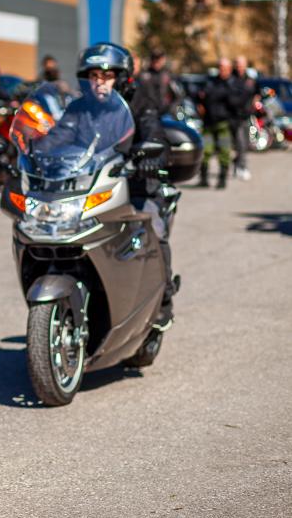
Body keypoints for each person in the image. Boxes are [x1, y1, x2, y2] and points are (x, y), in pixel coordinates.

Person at [74, 42, 176, 330]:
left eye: (106, 76)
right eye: (94, 76)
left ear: (121, 78)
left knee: (154, 229)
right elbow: (61, 138)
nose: (99, 82)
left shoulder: (140, 102)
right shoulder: (81, 109)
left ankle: (164, 300)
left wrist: (151, 155)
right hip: (92, 188)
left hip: (136, 185)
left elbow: (154, 131)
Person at [199, 58, 236, 189]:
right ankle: (203, 179)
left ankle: (222, 179)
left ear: (229, 69)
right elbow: (201, 96)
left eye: (224, 68)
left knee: (224, 151)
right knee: (206, 150)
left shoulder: (233, 83)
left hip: (224, 124)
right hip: (208, 122)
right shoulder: (211, 82)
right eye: (220, 67)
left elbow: (236, 102)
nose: (222, 70)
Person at [231, 55, 256, 181]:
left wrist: (255, 102)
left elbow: (256, 93)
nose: (239, 66)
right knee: (240, 143)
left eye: (241, 64)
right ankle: (242, 167)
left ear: (245, 65)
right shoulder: (231, 79)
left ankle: (236, 163)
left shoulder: (250, 79)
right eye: (237, 64)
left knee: (246, 143)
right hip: (234, 117)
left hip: (247, 115)